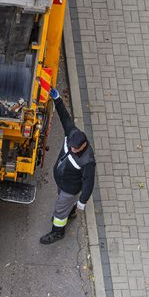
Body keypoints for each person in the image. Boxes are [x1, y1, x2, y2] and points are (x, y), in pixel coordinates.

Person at [40, 88, 96, 245]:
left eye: (75, 148)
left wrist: (82, 201)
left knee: (59, 211)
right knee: (63, 206)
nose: (71, 149)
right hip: (63, 182)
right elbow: (65, 116)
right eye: (70, 146)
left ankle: (57, 232)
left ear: (83, 145)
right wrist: (57, 99)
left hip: (69, 189)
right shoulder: (72, 133)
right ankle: (69, 212)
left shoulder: (87, 161)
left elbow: (89, 182)